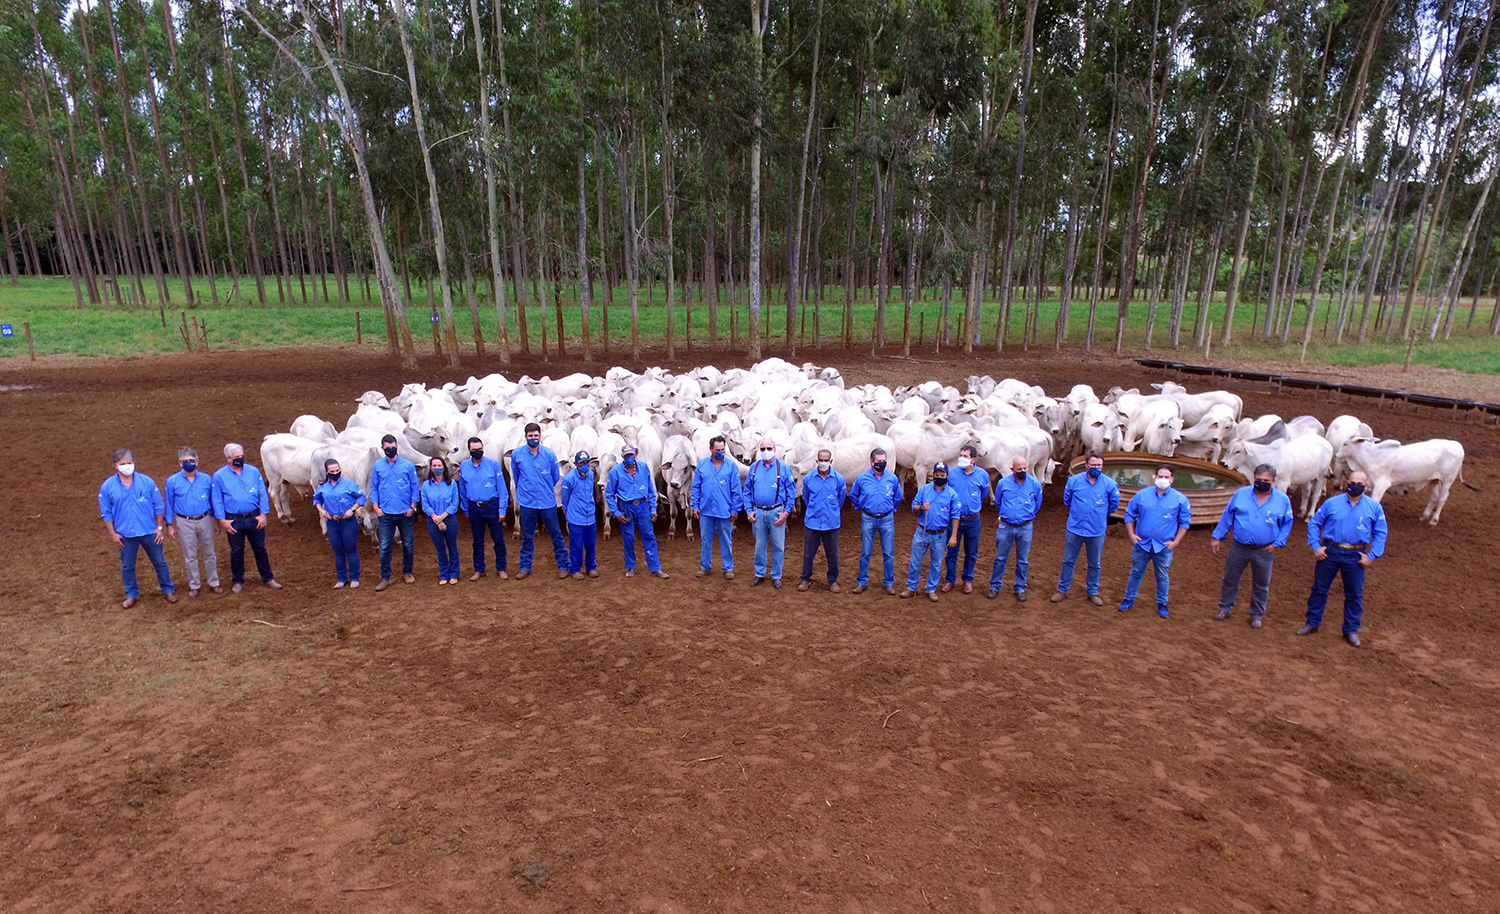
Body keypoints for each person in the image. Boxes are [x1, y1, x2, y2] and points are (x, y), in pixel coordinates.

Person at [1299, 470, 1388, 648]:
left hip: (1355, 555)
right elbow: (1315, 523)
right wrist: (1316, 546)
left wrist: (1372, 556)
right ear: (1347, 482)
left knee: (1354, 594)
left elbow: (1381, 532)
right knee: (1319, 589)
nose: (1354, 486)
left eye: (1359, 484)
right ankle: (1312, 622)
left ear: (1366, 486)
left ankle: (1351, 630)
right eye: (1352, 482)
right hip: (1330, 551)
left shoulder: (1374, 507)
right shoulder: (1331, 503)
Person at [1210, 464, 1293, 628]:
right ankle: (1225, 608)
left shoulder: (1282, 500)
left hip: (1264, 550)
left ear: (1273, 482)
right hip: (1239, 547)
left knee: (1261, 584)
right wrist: (1217, 536)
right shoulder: (1241, 494)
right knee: (1230, 578)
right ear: (1253, 479)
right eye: (1258, 480)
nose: (1261, 483)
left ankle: (1256, 615)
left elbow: (1287, 524)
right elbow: (1228, 515)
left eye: (1266, 480)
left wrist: (1278, 543)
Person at [99, 448, 176, 608]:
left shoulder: (147, 482)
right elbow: (106, 513)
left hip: (149, 531)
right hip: (125, 534)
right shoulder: (108, 487)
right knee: (127, 566)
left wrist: (159, 527)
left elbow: (158, 506)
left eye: (129, 463)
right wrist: (113, 534)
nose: (127, 466)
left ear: (134, 463)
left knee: (160, 562)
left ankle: (168, 590)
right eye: (123, 463)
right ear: (115, 465)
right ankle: (131, 594)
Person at [1118, 465, 1192, 618]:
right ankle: (1128, 599)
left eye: (1166, 477)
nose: (1163, 479)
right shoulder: (1141, 495)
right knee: (1136, 571)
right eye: (1160, 476)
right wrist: (1131, 534)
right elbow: (1129, 514)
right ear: (1155, 477)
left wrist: (1176, 542)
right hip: (1142, 543)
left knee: (1162, 575)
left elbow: (1185, 523)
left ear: (1172, 479)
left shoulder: (1180, 499)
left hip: (1164, 546)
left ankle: (1162, 603)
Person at [211, 442, 282, 594]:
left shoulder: (253, 471)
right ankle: (237, 581)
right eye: (236, 457)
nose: (240, 459)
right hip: (234, 520)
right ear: (228, 459)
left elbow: (262, 493)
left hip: (254, 517)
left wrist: (263, 514)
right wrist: (222, 520)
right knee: (236, 551)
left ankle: (268, 578)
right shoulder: (219, 476)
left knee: (260, 549)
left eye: (242, 456)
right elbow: (217, 500)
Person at [1051, 453, 1120, 606]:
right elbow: (1067, 500)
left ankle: (1092, 591)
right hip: (1075, 528)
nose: (1096, 468)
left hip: (1096, 530)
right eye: (1093, 465)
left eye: (1099, 466)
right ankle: (1062, 590)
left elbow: (1113, 505)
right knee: (1068, 560)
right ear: (1087, 465)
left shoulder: (1109, 484)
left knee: (1094, 563)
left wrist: (1100, 515)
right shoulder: (1073, 481)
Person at [514, 422, 570, 580]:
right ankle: (525, 567)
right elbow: (517, 477)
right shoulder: (517, 455)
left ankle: (563, 565)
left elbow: (554, 477)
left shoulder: (549, 455)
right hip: (527, 502)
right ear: (525, 437)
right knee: (527, 536)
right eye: (530, 436)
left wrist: (544, 489)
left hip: (547, 502)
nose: (533, 438)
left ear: (540, 436)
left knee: (556, 534)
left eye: (536, 436)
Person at [163, 447, 221, 597]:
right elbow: (169, 503)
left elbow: (213, 500)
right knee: (190, 555)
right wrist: (169, 525)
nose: (189, 463)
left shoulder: (207, 479)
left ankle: (214, 582)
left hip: (205, 519)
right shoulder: (172, 482)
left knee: (210, 552)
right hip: (184, 521)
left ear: (197, 461)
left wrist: (216, 520)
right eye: (185, 461)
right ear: (179, 463)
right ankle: (194, 584)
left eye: (191, 460)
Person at [605, 444, 668, 578]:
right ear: (623, 457)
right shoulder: (615, 471)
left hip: (643, 505)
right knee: (629, 537)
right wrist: (616, 512)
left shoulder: (643, 467)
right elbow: (609, 494)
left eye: (631, 455)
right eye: (627, 456)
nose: (630, 458)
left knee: (649, 536)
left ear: (635, 455)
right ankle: (631, 566)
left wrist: (653, 508)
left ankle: (655, 567)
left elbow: (651, 489)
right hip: (626, 506)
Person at [986, 456, 1044, 602]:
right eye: (1019, 469)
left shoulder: (1034, 484)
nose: (1023, 471)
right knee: (1000, 558)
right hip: (1006, 526)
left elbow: (1037, 504)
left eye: (1025, 468)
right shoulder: (1003, 483)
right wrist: (1008, 514)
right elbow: (998, 502)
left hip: (1025, 527)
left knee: (1023, 560)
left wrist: (1027, 515)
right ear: (1012, 469)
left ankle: (1020, 587)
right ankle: (995, 586)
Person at [901, 463, 960, 602]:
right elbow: (913, 507)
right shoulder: (924, 490)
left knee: (936, 563)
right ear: (933, 475)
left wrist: (953, 536)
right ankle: (911, 587)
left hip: (940, 534)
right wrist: (921, 508)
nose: (939, 477)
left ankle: (931, 589)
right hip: (922, 531)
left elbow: (955, 516)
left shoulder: (952, 494)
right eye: (937, 475)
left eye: (942, 475)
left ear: (947, 476)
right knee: (915, 561)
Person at [848, 448, 903, 595]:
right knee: (866, 551)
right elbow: (853, 495)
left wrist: (892, 508)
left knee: (889, 552)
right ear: (872, 462)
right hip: (868, 518)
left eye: (884, 461)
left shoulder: (892, 478)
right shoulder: (862, 478)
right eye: (879, 461)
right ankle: (862, 582)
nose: (882, 463)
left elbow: (898, 496)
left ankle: (889, 582)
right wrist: (861, 505)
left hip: (887, 518)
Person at [744, 437, 797, 589]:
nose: (765, 452)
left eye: (768, 448)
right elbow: (747, 490)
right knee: (759, 545)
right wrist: (749, 510)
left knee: (778, 545)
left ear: (774, 450)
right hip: (759, 512)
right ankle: (759, 573)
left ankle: (776, 575)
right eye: (762, 449)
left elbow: (791, 492)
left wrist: (786, 512)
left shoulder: (783, 468)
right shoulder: (754, 468)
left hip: (776, 511)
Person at [370, 433, 420, 591]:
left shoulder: (408, 465)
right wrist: (376, 507)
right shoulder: (378, 466)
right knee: (385, 546)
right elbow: (374, 487)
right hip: (385, 514)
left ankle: (407, 572)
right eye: (387, 447)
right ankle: (385, 577)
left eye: (393, 447)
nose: (390, 449)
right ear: (382, 448)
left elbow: (414, 487)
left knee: (408, 544)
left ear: (397, 446)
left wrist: (412, 507)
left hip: (405, 513)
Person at [691, 435, 742, 580]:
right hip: (706, 509)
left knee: (726, 539)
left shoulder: (731, 466)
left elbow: (736, 490)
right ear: (711, 449)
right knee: (706, 539)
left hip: (724, 509)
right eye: (718, 449)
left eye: (723, 449)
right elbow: (696, 487)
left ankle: (728, 567)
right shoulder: (702, 465)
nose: (721, 452)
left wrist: (735, 509)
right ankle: (705, 566)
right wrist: (695, 505)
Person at [458, 436, 508, 581]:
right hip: (474, 507)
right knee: (477, 541)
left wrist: (502, 509)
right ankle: (479, 569)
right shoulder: (464, 466)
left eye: (480, 449)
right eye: (474, 450)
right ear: (469, 450)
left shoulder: (493, 465)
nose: (477, 452)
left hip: (492, 505)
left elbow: (502, 489)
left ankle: (501, 568)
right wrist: (466, 509)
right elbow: (462, 489)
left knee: (498, 539)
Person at [943, 445, 990, 594]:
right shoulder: (952, 473)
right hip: (954, 519)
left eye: (965, 456)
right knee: (952, 551)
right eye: (961, 455)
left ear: (973, 459)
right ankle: (950, 579)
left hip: (973, 519)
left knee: (971, 551)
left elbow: (983, 493)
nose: (961, 458)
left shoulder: (982, 475)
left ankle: (967, 579)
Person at [798, 449, 847, 592]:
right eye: (821, 460)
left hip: (831, 523)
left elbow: (841, 499)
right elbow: (806, 497)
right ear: (816, 461)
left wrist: (832, 512)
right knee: (808, 553)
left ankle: (833, 581)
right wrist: (814, 510)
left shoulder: (839, 479)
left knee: (832, 554)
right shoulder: (808, 478)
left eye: (826, 460)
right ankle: (805, 579)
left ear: (831, 461)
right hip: (812, 522)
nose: (823, 463)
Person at [313, 457, 366, 588]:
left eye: (337, 470)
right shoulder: (323, 487)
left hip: (347, 521)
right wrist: (321, 510)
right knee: (338, 551)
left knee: (351, 549)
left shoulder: (349, 484)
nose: (335, 472)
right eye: (332, 471)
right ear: (327, 472)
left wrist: (352, 510)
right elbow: (316, 500)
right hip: (332, 521)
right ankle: (341, 578)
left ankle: (354, 577)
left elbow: (361, 497)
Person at [422, 457, 461, 585]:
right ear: (431, 468)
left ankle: (454, 574)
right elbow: (425, 504)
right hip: (433, 520)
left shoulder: (452, 484)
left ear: (444, 467)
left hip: (449, 519)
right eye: (434, 465)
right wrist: (436, 518)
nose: (437, 467)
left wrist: (442, 517)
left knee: (452, 546)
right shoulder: (426, 485)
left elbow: (455, 503)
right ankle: (444, 574)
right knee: (440, 548)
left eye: (439, 465)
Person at [560, 451, 599, 580]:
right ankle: (575, 569)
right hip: (576, 518)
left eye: (587, 462)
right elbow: (564, 499)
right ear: (576, 464)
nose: (585, 465)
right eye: (582, 463)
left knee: (591, 544)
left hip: (590, 517)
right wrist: (569, 513)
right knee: (576, 545)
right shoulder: (569, 478)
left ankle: (591, 567)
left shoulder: (591, 475)